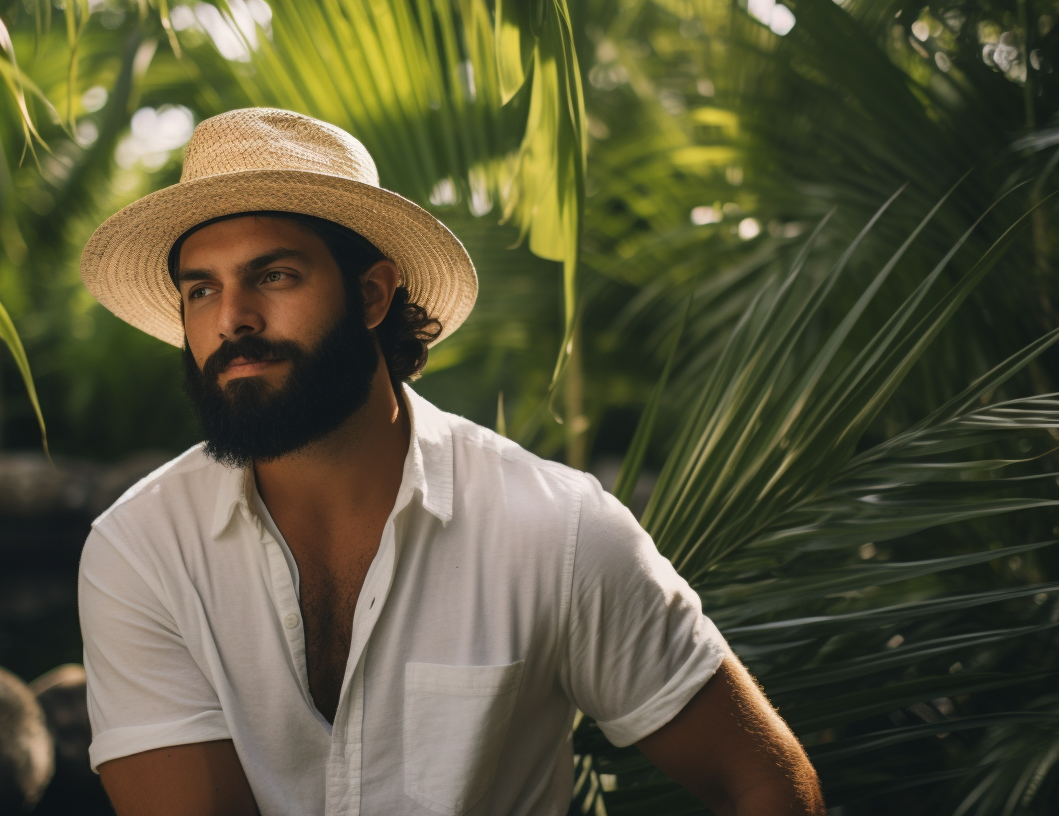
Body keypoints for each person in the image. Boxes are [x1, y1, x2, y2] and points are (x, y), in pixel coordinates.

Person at [76, 107, 823, 816]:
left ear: (371, 294)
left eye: (274, 276)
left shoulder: (555, 530)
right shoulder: (141, 551)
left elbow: (763, 780)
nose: (231, 319)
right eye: (200, 289)